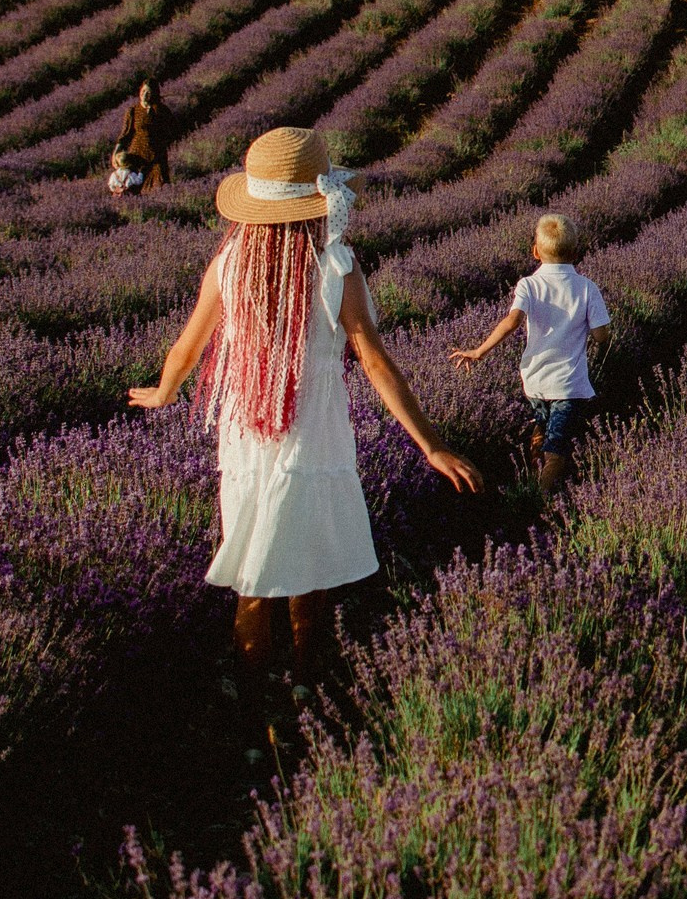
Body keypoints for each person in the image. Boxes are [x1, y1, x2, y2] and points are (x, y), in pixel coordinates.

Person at [130, 127, 481, 684]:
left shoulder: (229, 265)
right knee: (309, 564)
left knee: (250, 562)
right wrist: (431, 445)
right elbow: (375, 364)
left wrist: (166, 391)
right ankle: (305, 681)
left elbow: (187, 345)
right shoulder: (336, 268)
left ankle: (252, 698)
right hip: (314, 434)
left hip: (247, 430)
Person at [448, 213, 612, 495]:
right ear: (576, 252)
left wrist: (479, 351)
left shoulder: (528, 284)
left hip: (535, 380)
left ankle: (531, 473)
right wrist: (603, 342)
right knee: (557, 450)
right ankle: (538, 498)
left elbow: (511, 321)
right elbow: (601, 335)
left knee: (541, 425)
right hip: (567, 384)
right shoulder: (587, 288)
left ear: (535, 251)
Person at [113, 80, 175, 192]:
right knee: (134, 188)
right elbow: (125, 134)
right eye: (143, 91)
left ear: (154, 94)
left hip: (156, 156)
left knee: (160, 186)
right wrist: (116, 152)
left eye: (149, 92)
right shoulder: (133, 111)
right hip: (137, 156)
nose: (145, 94)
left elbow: (171, 132)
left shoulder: (162, 111)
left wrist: (161, 144)